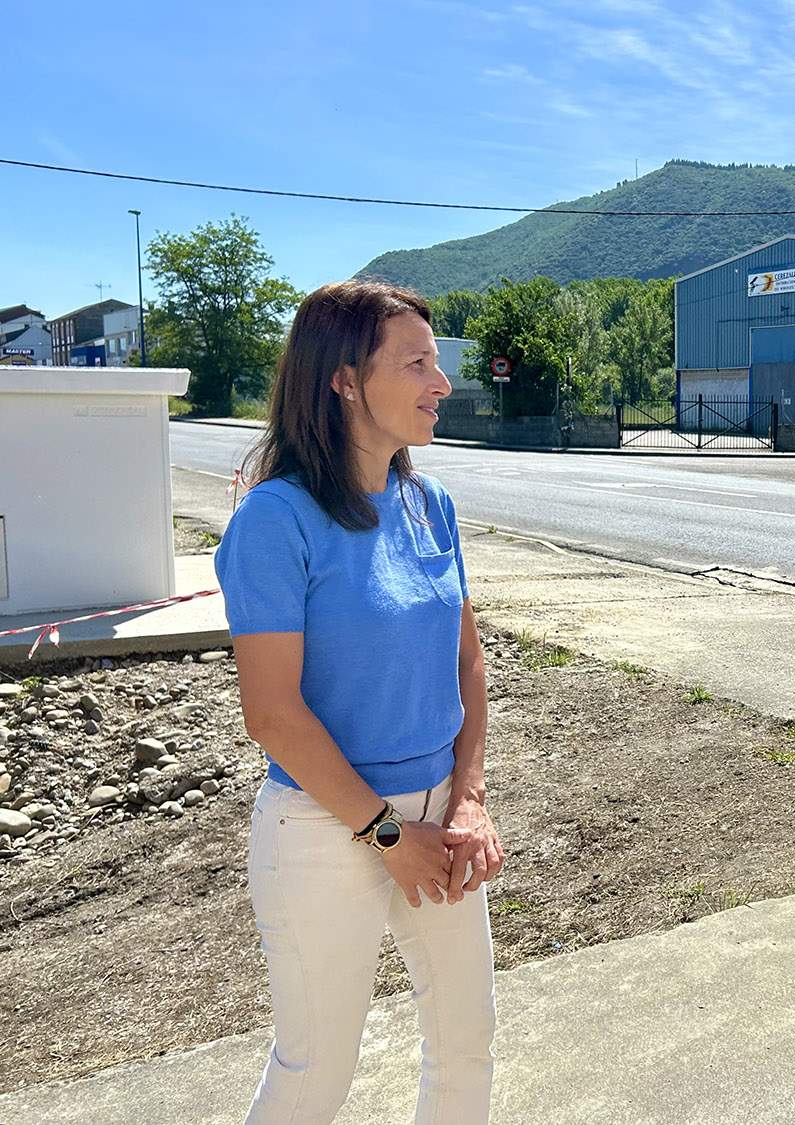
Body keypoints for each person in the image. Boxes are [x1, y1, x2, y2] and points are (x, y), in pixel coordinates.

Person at [215, 279, 504, 1123]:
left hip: (440, 815)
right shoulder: (276, 520)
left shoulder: (430, 504)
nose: (441, 383)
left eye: (437, 363)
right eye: (416, 364)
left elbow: (468, 662)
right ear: (343, 379)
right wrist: (384, 833)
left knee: (466, 1045)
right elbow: (272, 712)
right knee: (314, 1076)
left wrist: (469, 797)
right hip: (322, 825)